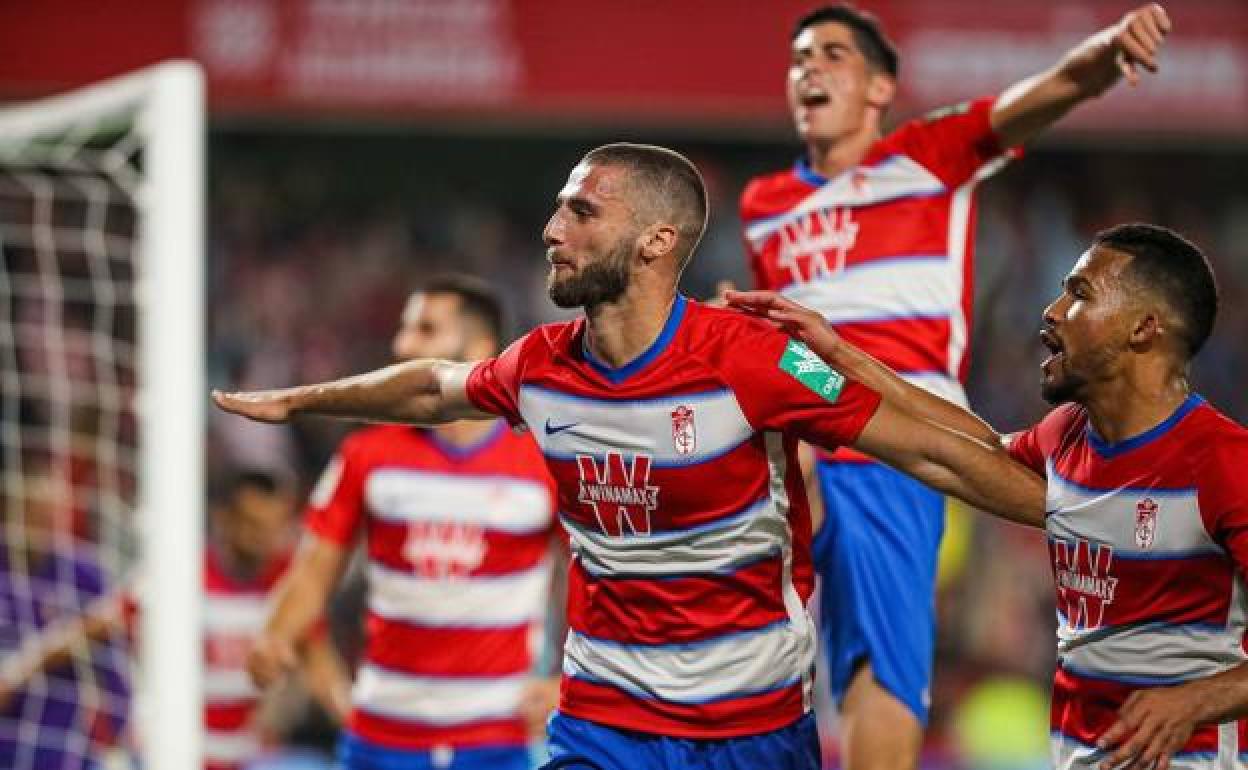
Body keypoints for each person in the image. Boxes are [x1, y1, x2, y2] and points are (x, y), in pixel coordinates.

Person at [214, 143, 1045, 770]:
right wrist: (304, 398)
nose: (551, 230)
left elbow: (932, 454)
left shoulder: (752, 360)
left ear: (655, 239)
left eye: (581, 213)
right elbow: (435, 387)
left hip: (749, 722)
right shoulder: (540, 365)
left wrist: (1075, 514)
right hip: (604, 716)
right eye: (558, 210)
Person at [734, 5, 1173, 767]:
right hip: (797, 437)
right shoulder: (763, 205)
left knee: (876, 662)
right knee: (746, 652)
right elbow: (785, 343)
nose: (809, 67)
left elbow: (1054, 88)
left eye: (832, 54)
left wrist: (1108, 53)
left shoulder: (924, 156)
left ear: (879, 88)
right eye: (799, 56)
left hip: (894, 441)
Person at [727, 223, 1248, 770]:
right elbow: (958, 443)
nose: (1051, 310)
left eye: (1079, 294)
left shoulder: (1224, 463)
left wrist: (1194, 700)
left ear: (1144, 329)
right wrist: (828, 355)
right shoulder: (1067, 437)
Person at [243, 275, 562, 770]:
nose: (403, 344)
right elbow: (312, 572)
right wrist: (276, 632)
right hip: (381, 735)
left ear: (478, 348)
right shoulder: (367, 453)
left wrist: (568, 679)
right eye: (405, 329)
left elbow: (594, 575)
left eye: (425, 330)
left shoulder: (542, 459)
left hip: (497, 738)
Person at [203, 469, 347, 770]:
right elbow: (101, 627)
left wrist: (364, 727)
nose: (263, 538)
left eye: (273, 528)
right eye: (253, 525)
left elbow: (323, 670)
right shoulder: (181, 575)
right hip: (174, 748)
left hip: (252, 758)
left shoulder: (287, 586)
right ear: (224, 518)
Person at [0, 460, 130, 770]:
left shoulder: (84, 575)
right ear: (9, 511)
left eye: (51, 516)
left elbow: (113, 667)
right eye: (33, 513)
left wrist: (120, 727)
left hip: (66, 748)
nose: (43, 526)